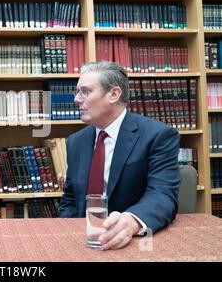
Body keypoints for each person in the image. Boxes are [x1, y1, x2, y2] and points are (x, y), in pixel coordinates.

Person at [59, 61, 181, 250]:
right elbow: (71, 197)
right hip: (82, 243)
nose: (76, 99)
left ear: (114, 94)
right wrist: (67, 232)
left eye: (85, 91)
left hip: (135, 243)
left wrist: (131, 222)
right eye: (77, 92)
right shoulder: (76, 142)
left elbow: (162, 195)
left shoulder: (158, 136)